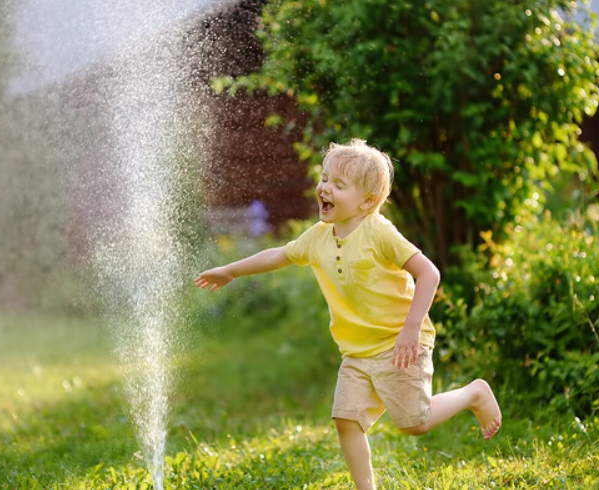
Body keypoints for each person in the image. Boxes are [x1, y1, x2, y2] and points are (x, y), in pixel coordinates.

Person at [195, 138, 502, 490]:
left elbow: (429, 273)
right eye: (324, 179)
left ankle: (474, 393)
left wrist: (411, 330)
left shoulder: (378, 232)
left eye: (338, 185)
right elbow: (277, 254)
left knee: (414, 422)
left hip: (398, 344)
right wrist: (231, 270)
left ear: (367, 202)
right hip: (356, 352)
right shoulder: (318, 236)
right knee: (346, 420)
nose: (325, 188)